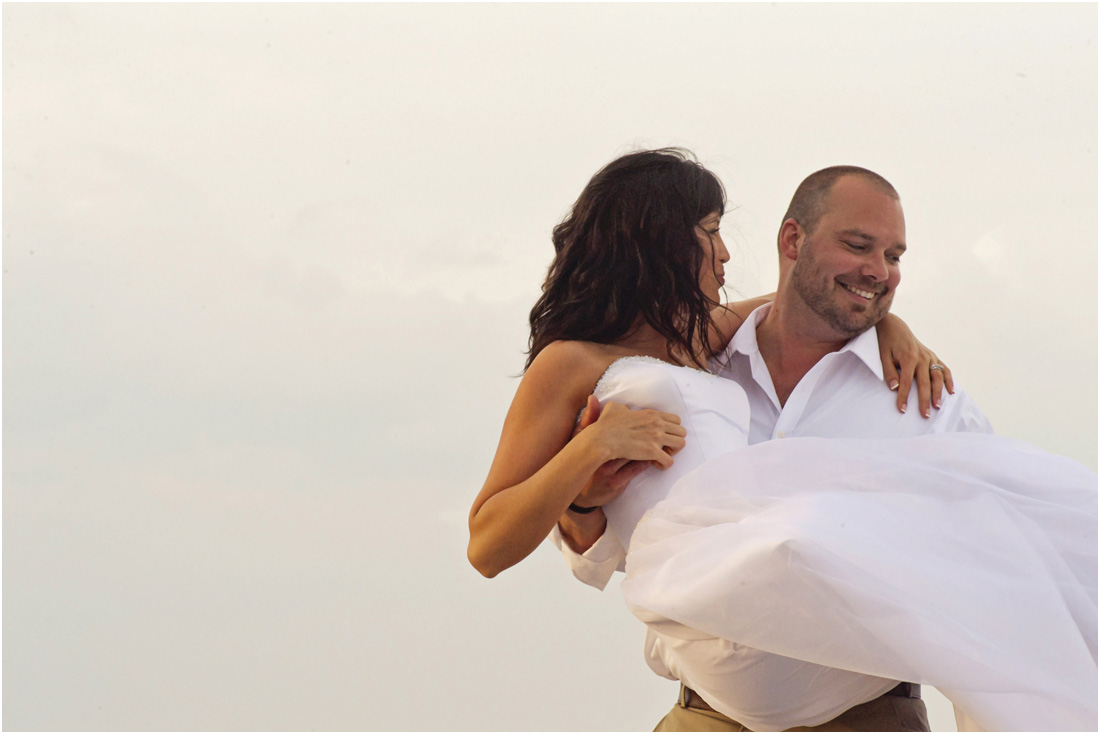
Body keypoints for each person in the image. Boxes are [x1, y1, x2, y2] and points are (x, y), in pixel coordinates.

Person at [468, 150, 1097, 731]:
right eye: (711, 232)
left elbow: (985, 559)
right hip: (706, 718)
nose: (725, 254)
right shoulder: (658, 360)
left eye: (894, 257)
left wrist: (886, 318)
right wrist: (590, 459)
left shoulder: (921, 398)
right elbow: (527, 545)